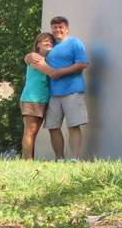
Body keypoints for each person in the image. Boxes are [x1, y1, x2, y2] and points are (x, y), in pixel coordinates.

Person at [26, 16, 90, 160]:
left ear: (66, 29)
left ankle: (74, 159)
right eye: (54, 27)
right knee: (53, 127)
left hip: (73, 91)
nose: (57, 30)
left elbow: (82, 64)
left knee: (73, 126)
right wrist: (28, 56)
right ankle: (60, 159)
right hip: (53, 94)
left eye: (60, 27)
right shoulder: (51, 47)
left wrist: (59, 73)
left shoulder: (74, 42)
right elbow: (36, 54)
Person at [19, 32, 56, 160]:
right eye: (45, 40)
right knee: (30, 131)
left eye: (51, 41)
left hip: (42, 99)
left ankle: (26, 159)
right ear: (38, 44)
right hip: (32, 98)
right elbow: (51, 72)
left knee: (33, 132)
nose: (48, 42)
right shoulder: (35, 57)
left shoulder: (49, 59)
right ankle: (27, 161)